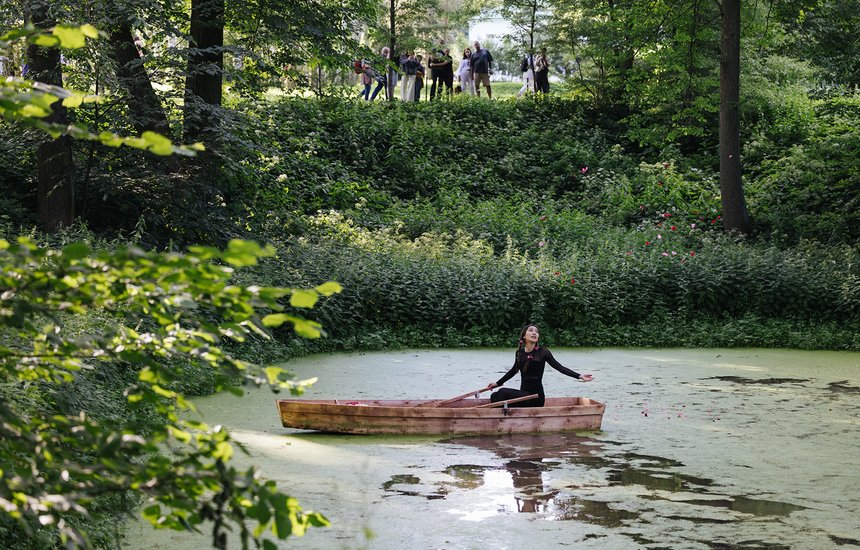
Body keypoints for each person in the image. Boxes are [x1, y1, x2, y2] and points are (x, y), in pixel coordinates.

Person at [486, 324, 593, 407]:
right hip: (523, 396)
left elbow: (560, 367)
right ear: (524, 335)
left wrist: (579, 376)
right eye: (531, 330)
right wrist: (497, 383)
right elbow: (513, 370)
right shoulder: (519, 353)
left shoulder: (543, 352)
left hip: (535, 398)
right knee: (495, 395)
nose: (534, 333)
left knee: (503, 393)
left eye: (536, 332)